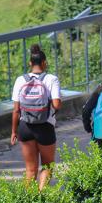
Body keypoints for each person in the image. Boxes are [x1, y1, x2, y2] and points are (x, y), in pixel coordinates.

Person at [11, 44, 62, 189]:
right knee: (47, 166)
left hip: (25, 127)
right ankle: (41, 197)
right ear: (44, 63)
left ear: (30, 63)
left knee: (30, 170)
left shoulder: (20, 80)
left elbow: (16, 110)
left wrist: (14, 131)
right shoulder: (52, 79)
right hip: (45, 126)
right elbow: (57, 105)